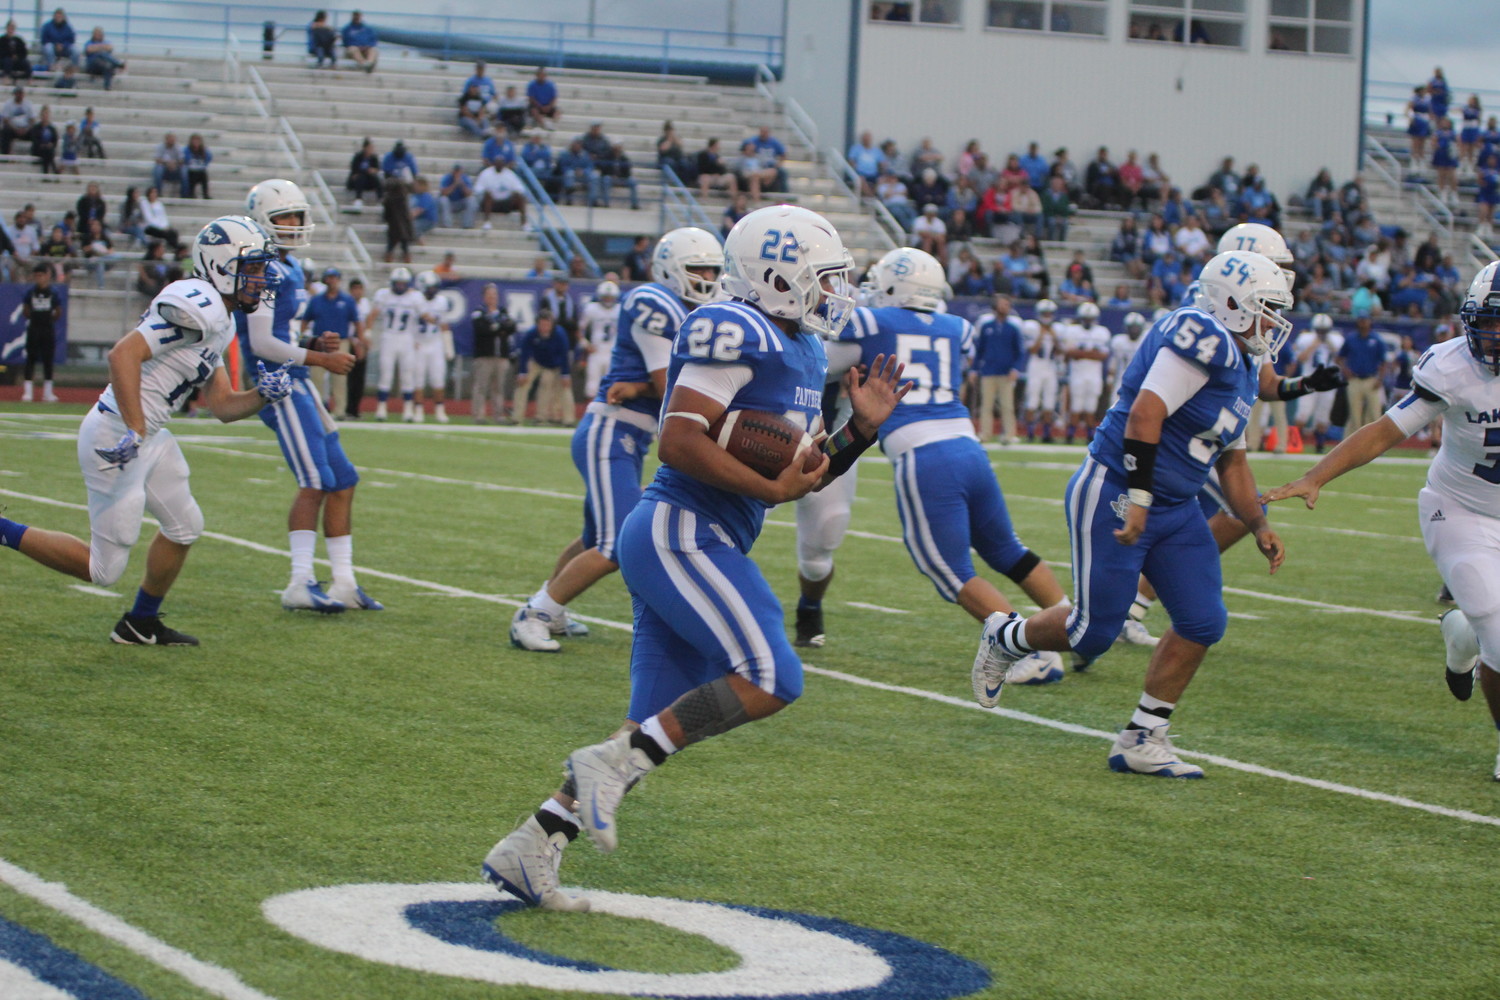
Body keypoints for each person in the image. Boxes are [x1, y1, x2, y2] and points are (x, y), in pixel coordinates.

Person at [482, 204, 905, 911]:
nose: (836, 292)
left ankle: (532, 844)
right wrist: (769, 487)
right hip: (680, 529)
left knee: (647, 727)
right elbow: (678, 441)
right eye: (824, 277)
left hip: (706, 535)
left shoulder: (801, 349)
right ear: (776, 277)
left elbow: (803, 471)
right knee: (771, 676)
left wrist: (858, 431)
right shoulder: (733, 325)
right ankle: (602, 770)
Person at [971, 251, 1294, 778]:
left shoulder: (1245, 367)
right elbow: (1145, 414)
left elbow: (1232, 459)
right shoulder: (1202, 336)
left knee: (1203, 620)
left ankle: (1142, 737)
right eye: (1266, 309)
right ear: (1232, 304)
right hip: (1117, 489)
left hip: (1176, 507)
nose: (1273, 322)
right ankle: (1005, 637)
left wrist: (1257, 522)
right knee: (1092, 633)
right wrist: (1141, 498)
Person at [0, 216, 290, 645]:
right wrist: (135, 428)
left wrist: (263, 394)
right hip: (117, 435)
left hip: (147, 437)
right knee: (103, 570)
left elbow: (223, 406)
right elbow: (122, 354)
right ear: (221, 266)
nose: (261, 279)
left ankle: (139, 622)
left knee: (185, 526)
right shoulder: (199, 304)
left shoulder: (223, 320)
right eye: (253, 268)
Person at [1264, 261, 1500, 779]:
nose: (1497, 333)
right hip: (1460, 510)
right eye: (1491, 319)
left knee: (1488, 626)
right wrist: (1315, 476)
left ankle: (1463, 635)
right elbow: (1384, 431)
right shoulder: (1453, 367)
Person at [837, 248, 1069, 681]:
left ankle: (1031, 651)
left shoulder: (870, 321)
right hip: (968, 447)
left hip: (924, 455)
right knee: (1006, 549)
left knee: (950, 571)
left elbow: (828, 360)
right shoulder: (956, 326)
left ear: (894, 286)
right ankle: (1073, 627)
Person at [508, 232, 727, 647]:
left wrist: (639, 388)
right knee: (617, 544)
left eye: (712, 270)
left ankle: (549, 609)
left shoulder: (698, 312)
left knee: (596, 538)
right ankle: (536, 613)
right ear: (669, 269)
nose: (706, 277)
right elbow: (669, 385)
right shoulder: (653, 301)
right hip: (611, 430)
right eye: (696, 268)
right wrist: (647, 389)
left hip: (629, 436)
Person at [241, 180, 378, 612]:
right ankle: (299, 582)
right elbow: (261, 342)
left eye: (296, 216)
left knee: (343, 479)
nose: (293, 224)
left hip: (297, 377)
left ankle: (344, 583)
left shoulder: (292, 267)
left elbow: (283, 333)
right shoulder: (262, 268)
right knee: (315, 480)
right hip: (278, 383)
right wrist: (321, 359)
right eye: (283, 217)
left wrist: (313, 343)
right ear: (262, 221)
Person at [301, 266, 360, 418]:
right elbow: (306, 320)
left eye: (334, 278)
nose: (331, 281)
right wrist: (300, 336)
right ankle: (317, 408)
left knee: (340, 377)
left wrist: (359, 341)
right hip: (320, 342)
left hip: (340, 341)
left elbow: (357, 321)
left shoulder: (347, 300)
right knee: (316, 376)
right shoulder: (317, 300)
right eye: (329, 278)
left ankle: (340, 410)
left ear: (338, 280)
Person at [371, 267, 421, 421]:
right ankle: (381, 408)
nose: (400, 286)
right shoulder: (383, 295)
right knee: (386, 373)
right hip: (389, 336)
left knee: (408, 374)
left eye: (403, 283)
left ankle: (408, 409)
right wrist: (367, 332)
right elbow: (373, 315)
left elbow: (423, 317)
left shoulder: (415, 297)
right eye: (398, 283)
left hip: (406, 337)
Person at [511, 310, 573, 425]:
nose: (544, 328)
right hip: (537, 362)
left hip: (556, 364)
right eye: (542, 324)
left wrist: (565, 374)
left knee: (561, 388)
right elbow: (524, 353)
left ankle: (567, 419)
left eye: (547, 324)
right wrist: (522, 372)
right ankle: (517, 417)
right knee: (522, 385)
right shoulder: (531, 333)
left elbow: (564, 354)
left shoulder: (560, 334)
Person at [408, 270, 453, 422]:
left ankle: (439, 410)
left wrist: (448, 346)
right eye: (430, 287)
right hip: (419, 343)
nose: (433, 290)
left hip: (435, 343)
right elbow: (418, 320)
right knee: (418, 379)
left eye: (434, 287)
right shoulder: (415, 299)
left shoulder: (441, 301)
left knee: (438, 377)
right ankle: (418, 410)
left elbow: (444, 324)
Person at [1062, 301, 1110, 440]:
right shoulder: (1072, 331)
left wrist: (1081, 353)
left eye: (1090, 318)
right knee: (1076, 405)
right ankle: (1070, 435)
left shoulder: (1102, 332)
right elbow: (1070, 353)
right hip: (1078, 374)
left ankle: (1090, 435)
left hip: (1094, 375)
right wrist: (1091, 353)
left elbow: (1103, 356)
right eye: (1085, 318)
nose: (1088, 321)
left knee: (1091, 406)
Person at [469, 283, 515, 423]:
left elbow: (511, 327)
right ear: (484, 297)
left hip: (501, 355)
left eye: (494, 295)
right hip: (484, 356)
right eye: (489, 295)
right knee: (481, 386)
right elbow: (481, 329)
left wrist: (495, 328)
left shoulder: (502, 312)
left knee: (499, 388)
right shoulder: (479, 312)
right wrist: (498, 329)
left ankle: (499, 415)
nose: (492, 298)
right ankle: (478, 415)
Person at [1339, 315, 1390, 431]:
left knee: (1374, 413)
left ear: (1369, 322)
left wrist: (1380, 379)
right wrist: (1345, 370)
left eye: (1365, 321)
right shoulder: (1351, 339)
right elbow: (1340, 357)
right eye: (1361, 321)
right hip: (1354, 379)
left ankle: (1372, 439)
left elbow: (1383, 362)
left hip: (1371, 379)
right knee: (1354, 414)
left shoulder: (1376, 339)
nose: (1363, 323)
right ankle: (1353, 439)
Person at [20, 262, 61, 402]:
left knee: (48, 359)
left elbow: (58, 310)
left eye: (41, 275)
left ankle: (48, 392)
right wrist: (34, 318)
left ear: (47, 276)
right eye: (36, 276)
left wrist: (48, 320)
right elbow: (26, 309)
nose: (39, 278)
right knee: (30, 359)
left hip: (47, 329)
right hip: (34, 328)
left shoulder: (53, 292)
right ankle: (28, 392)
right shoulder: (30, 292)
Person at [579, 279, 619, 398]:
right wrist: (586, 344)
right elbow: (580, 329)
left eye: (610, 297)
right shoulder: (592, 308)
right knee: (592, 387)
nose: (608, 300)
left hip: (612, 352)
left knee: (611, 386)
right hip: (596, 351)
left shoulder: (620, 309)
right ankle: (591, 409)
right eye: (605, 297)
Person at [474, 159, 529, 231]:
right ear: (494, 164)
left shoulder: (509, 174)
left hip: (506, 203)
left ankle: (524, 224)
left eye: (501, 164)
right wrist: (486, 192)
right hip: (491, 203)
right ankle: (487, 222)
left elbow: (520, 189)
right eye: (497, 164)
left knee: (520, 197)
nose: (499, 166)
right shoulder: (486, 173)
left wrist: (514, 192)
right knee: (488, 195)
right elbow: (478, 189)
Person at [381, 177, 412, 263]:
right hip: (403, 223)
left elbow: (386, 213)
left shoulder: (389, 199)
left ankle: (389, 256)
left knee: (392, 241)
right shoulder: (403, 197)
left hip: (394, 224)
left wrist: (385, 218)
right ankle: (405, 257)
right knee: (403, 241)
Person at [437, 162, 476, 229]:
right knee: (443, 199)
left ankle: (467, 224)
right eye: (455, 171)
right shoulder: (447, 178)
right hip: (450, 203)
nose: (457, 173)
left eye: (458, 171)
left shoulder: (465, 178)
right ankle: (447, 224)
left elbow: (469, 194)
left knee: (472, 200)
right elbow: (443, 193)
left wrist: (462, 184)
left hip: (461, 203)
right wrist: (454, 184)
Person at [346, 138, 381, 207]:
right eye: (369, 148)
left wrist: (372, 170)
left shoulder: (374, 158)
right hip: (358, 181)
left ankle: (380, 198)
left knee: (376, 179)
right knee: (360, 178)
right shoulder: (358, 157)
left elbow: (376, 168)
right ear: (365, 148)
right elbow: (354, 170)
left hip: (369, 180)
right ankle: (358, 199)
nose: (371, 149)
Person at [1, 85, 33, 155]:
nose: (20, 95)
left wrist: (26, 129)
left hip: (25, 129)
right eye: (19, 93)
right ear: (15, 94)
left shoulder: (28, 104)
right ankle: (5, 154)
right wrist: (15, 129)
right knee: (5, 130)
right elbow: (6, 119)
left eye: (21, 93)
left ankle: (36, 153)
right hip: (13, 129)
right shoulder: (8, 104)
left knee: (36, 131)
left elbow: (32, 119)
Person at [152, 133, 186, 198]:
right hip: (164, 167)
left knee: (184, 170)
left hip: (176, 168)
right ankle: (158, 192)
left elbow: (182, 160)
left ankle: (184, 194)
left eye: (173, 140)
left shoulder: (177, 147)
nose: (172, 141)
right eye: (170, 139)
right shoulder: (160, 147)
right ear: (166, 139)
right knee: (158, 169)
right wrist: (167, 163)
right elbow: (157, 159)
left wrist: (175, 163)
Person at [29, 104, 56, 174]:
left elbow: (55, 140)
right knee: (47, 152)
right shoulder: (36, 128)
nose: (45, 116)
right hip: (38, 150)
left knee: (48, 152)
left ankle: (46, 173)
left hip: (48, 150)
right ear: (41, 115)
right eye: (43, 114)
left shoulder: (52, 128)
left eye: (46, 114)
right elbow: (34, 140)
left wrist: (51, 145)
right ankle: (54, 170)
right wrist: (42, 145)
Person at [184, 134, 211, 198]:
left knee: (203, 174)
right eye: (194, 140)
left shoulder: (204, 150)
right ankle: (191, 193)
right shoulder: (187, 149)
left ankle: (205, 194)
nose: (196, 142)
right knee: (193, 174)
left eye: (198, 140)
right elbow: (186, 160)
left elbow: (208, 159)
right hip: (190, 170)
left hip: (200, 169)